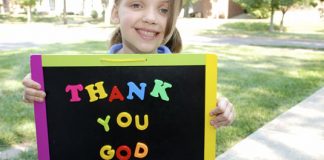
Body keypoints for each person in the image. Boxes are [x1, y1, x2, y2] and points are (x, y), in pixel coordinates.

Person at [22, 0, 234, 128]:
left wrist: (222, 110)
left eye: (164, 10)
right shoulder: (90, 76)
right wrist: (45, 87)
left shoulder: (187, 78)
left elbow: (201, 111)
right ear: (115, 12)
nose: (151, 18)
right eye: (136, 4)